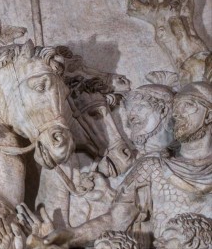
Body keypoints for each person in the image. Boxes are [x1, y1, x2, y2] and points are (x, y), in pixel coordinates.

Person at [42, 82, 212, 248]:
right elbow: (116, 219)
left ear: (209, 115)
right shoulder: (151, 168)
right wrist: (73, 236)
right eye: (176, 107)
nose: (177, 113)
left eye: (187, 105)